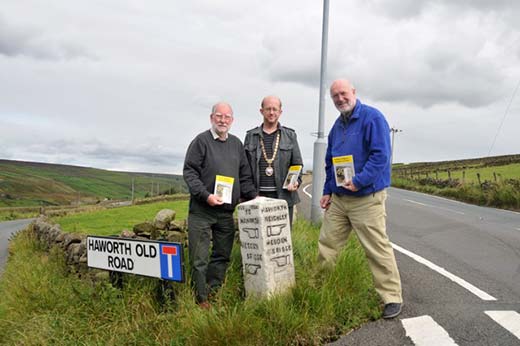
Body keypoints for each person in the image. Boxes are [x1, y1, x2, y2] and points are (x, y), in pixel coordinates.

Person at [318, 79, 403, 319]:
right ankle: (319, 287)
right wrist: (327, 190)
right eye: (335, 96)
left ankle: (391, 297)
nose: (339, 99)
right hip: (340, 198)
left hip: (366, 197)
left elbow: (381, 157)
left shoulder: (372, 118)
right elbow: (329, 163)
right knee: (327, 245)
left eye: (343, 93)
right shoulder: (337, 126)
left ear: (353, 92)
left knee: (376, 248)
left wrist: (359, 181)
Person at [183, 102, 257, 309]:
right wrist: (206, 196)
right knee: (199, 258)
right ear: (211, 118)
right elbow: (189, 172)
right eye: (219, 116)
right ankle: (201, 299)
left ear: (232, 120)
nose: (223, 120)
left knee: (221, 256)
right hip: (202, 211)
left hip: (225, 212)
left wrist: (254, 197)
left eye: (227, 117)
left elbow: (244, 176)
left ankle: (214, 291)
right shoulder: (200, 142)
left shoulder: (236, 144)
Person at [244, 95, 303, 226]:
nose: (271, 112)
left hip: (283, 197)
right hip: (257, 197)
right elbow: (245, 169)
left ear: (280, 112)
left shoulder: (290, 136)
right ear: (261, 111)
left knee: (282, 240)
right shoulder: (250, 136)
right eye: (268, 109)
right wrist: (251, 193)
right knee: (258, 238)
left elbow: (297, 164)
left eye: (275, 109)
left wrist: (296, 182)